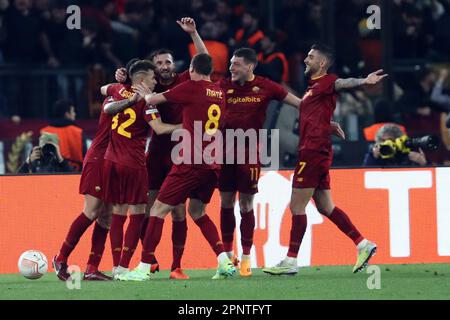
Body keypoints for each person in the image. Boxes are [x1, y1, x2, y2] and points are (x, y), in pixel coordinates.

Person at [217, 47, 344, 277]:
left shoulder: (266, 86)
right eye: (231, 64)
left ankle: (245, 258)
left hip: (249, 154)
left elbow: (302, 104)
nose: (231, 68)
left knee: (245, 205)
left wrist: (327, 122)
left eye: (236, 64)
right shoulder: (223, 86)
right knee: (225, 203)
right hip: (224, 152)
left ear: (250, 66)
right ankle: (227, 259)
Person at [262, 44, 387, 276]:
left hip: (312, 151)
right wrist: (327, 123)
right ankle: (363, 244)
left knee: (297, 206)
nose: (305, 60)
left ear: (322, 63)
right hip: (317, 151)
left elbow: (342, 83)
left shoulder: (328, 81)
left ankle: (290, 261)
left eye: (310, 57)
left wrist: (363, 81)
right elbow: (314, 113)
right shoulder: (312, 89)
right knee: (325, 206)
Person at [116, 53, 237, 281]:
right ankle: (224, 261)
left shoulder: (191, 87)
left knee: (158, 211)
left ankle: (142, 268)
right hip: (213, 163)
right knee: (197, 212)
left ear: (192, 68)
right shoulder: (219, 91)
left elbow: (152, 100)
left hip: (189, 161)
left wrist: (140, 90)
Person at [114, 17, 208, 280]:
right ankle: (150, 258)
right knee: (148, 206)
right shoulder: (148, 87)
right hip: (156, 153)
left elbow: (203, 59)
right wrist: (121, 78)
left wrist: (194, 33)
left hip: (180, 151)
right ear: (152, 69)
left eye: (168, 61)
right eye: (160, 63)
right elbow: (126, 86)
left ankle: (177, 265)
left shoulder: (182, 80)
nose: (165, 66)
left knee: (178, 210)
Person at [52, 55, 139, 282]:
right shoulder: (121, 93)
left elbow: (103, 87)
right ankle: (60, 258)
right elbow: (106, 91)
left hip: (114, 160)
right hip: (100, 158)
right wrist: (120, 82)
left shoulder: (126, 91)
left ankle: (92, 267)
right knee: (91, 211)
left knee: (106, 217)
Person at [102, 60, 181, 279]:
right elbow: (160, 129)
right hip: (133, 164)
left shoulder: (118, 90)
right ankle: (125, 268)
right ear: (142, 80)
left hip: (111, 160)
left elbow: (105, 99)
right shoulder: (147, 103)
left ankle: (117, 266)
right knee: (137, 215)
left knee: (118, 213)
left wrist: (120, 80)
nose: (156, 81)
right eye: (153, 78)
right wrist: (189, 126)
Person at [40, 99, 86, 172]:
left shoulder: (44, 131)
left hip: (49, 173)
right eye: (73, 111)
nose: (75, 114)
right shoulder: (78, 132)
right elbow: (85, 157)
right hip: (74, 174)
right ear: (67, 114)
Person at [363, 124, 427, 167]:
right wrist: (375, 157)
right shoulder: (373, 155)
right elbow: (363, 176)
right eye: (383, 141)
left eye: (390, 140)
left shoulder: (408, 153)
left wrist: (423, 163)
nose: (387, 144)